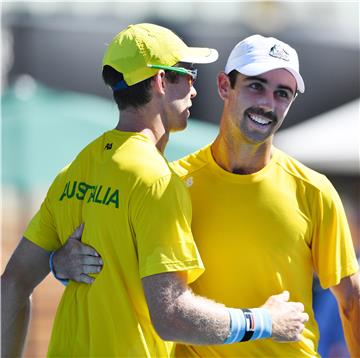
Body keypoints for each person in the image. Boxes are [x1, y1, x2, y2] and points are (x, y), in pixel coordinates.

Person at [1, 25, 308, 358]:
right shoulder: (158, 182)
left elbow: (13, 284)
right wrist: (264, 321)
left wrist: (56, 265)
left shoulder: (75, 170)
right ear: (162, 81)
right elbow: (172, 316)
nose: (194, 90)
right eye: (189, 75)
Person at [53, 34, 360, 357]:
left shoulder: (314, 190)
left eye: (282, 93)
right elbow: (118, 272)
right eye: (256, 86)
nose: (268, 103)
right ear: (224, 85)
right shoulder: (170, 182)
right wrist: (58, 263)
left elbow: (351, 299)